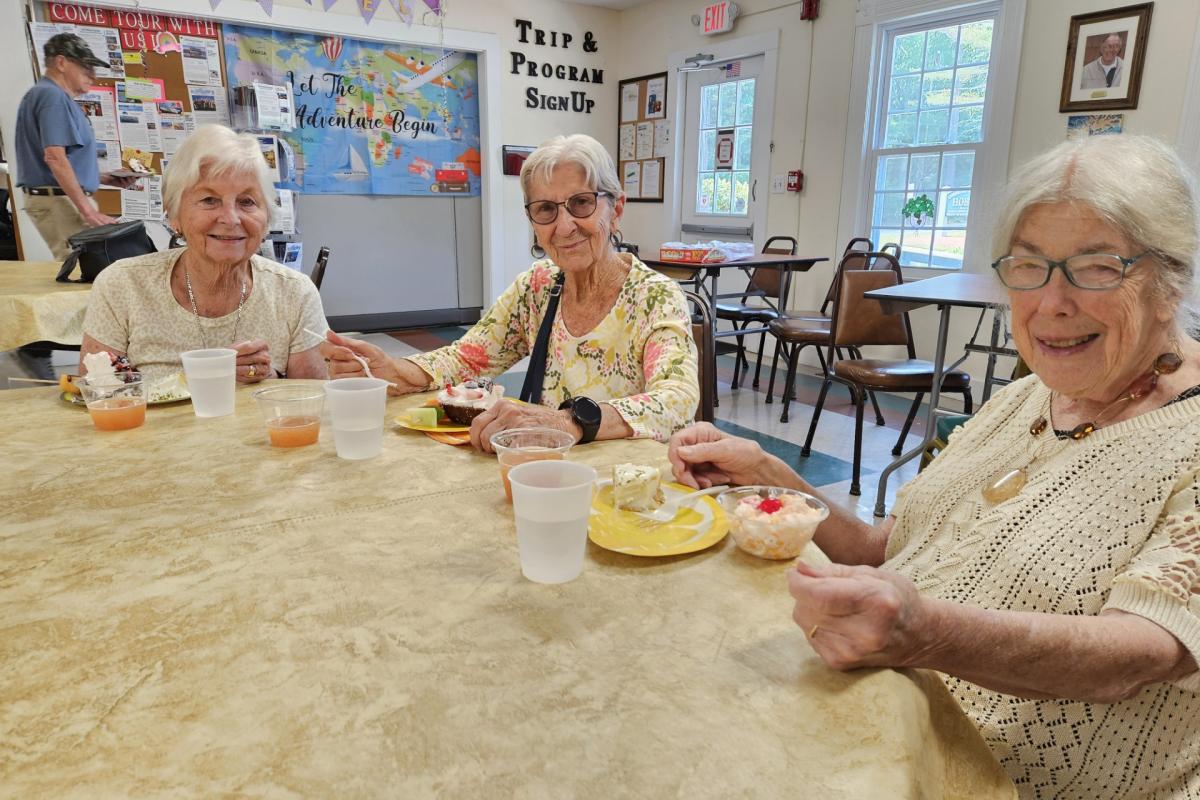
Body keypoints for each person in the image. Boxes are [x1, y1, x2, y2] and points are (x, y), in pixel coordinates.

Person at [669, 134, 1200, 798]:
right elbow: (880, 547)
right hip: (882, 727)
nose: (1052, 302)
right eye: (1028, 266)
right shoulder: (1021, 398)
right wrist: (765, 471)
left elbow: (1139, 656)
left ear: (1170, 279)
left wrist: (923, 634)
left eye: (1096, 267)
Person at [321, 133, 698, 450]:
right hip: (547, 474)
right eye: (546, 209)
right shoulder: (537, 287)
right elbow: (466, 359)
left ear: (615, 210)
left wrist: (570, 421)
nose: (564, 226)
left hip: (628, 487)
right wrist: (396, 369)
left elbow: (676, 400)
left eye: (581, 203)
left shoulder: (654, 297)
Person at [79, 124, 328, 385]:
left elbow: (312, 403)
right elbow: (99, 395)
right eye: (209, 200)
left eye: (247, 202)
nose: (231, 219)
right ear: (174, 215)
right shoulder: (122, 285)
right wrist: (205, 377)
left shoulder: (295, 293)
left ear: (267, 219)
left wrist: (270, 378)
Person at [14, 33, 139, 260]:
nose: (92, 75)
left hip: (60, 198)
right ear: (61, 63)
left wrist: (101, 177)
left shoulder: (47, 95)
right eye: (85, 67)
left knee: (92, 267)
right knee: (84, 269)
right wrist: (87, 210)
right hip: (60, 201)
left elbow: (58, 159)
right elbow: (54, 157)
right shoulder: (52, 96)